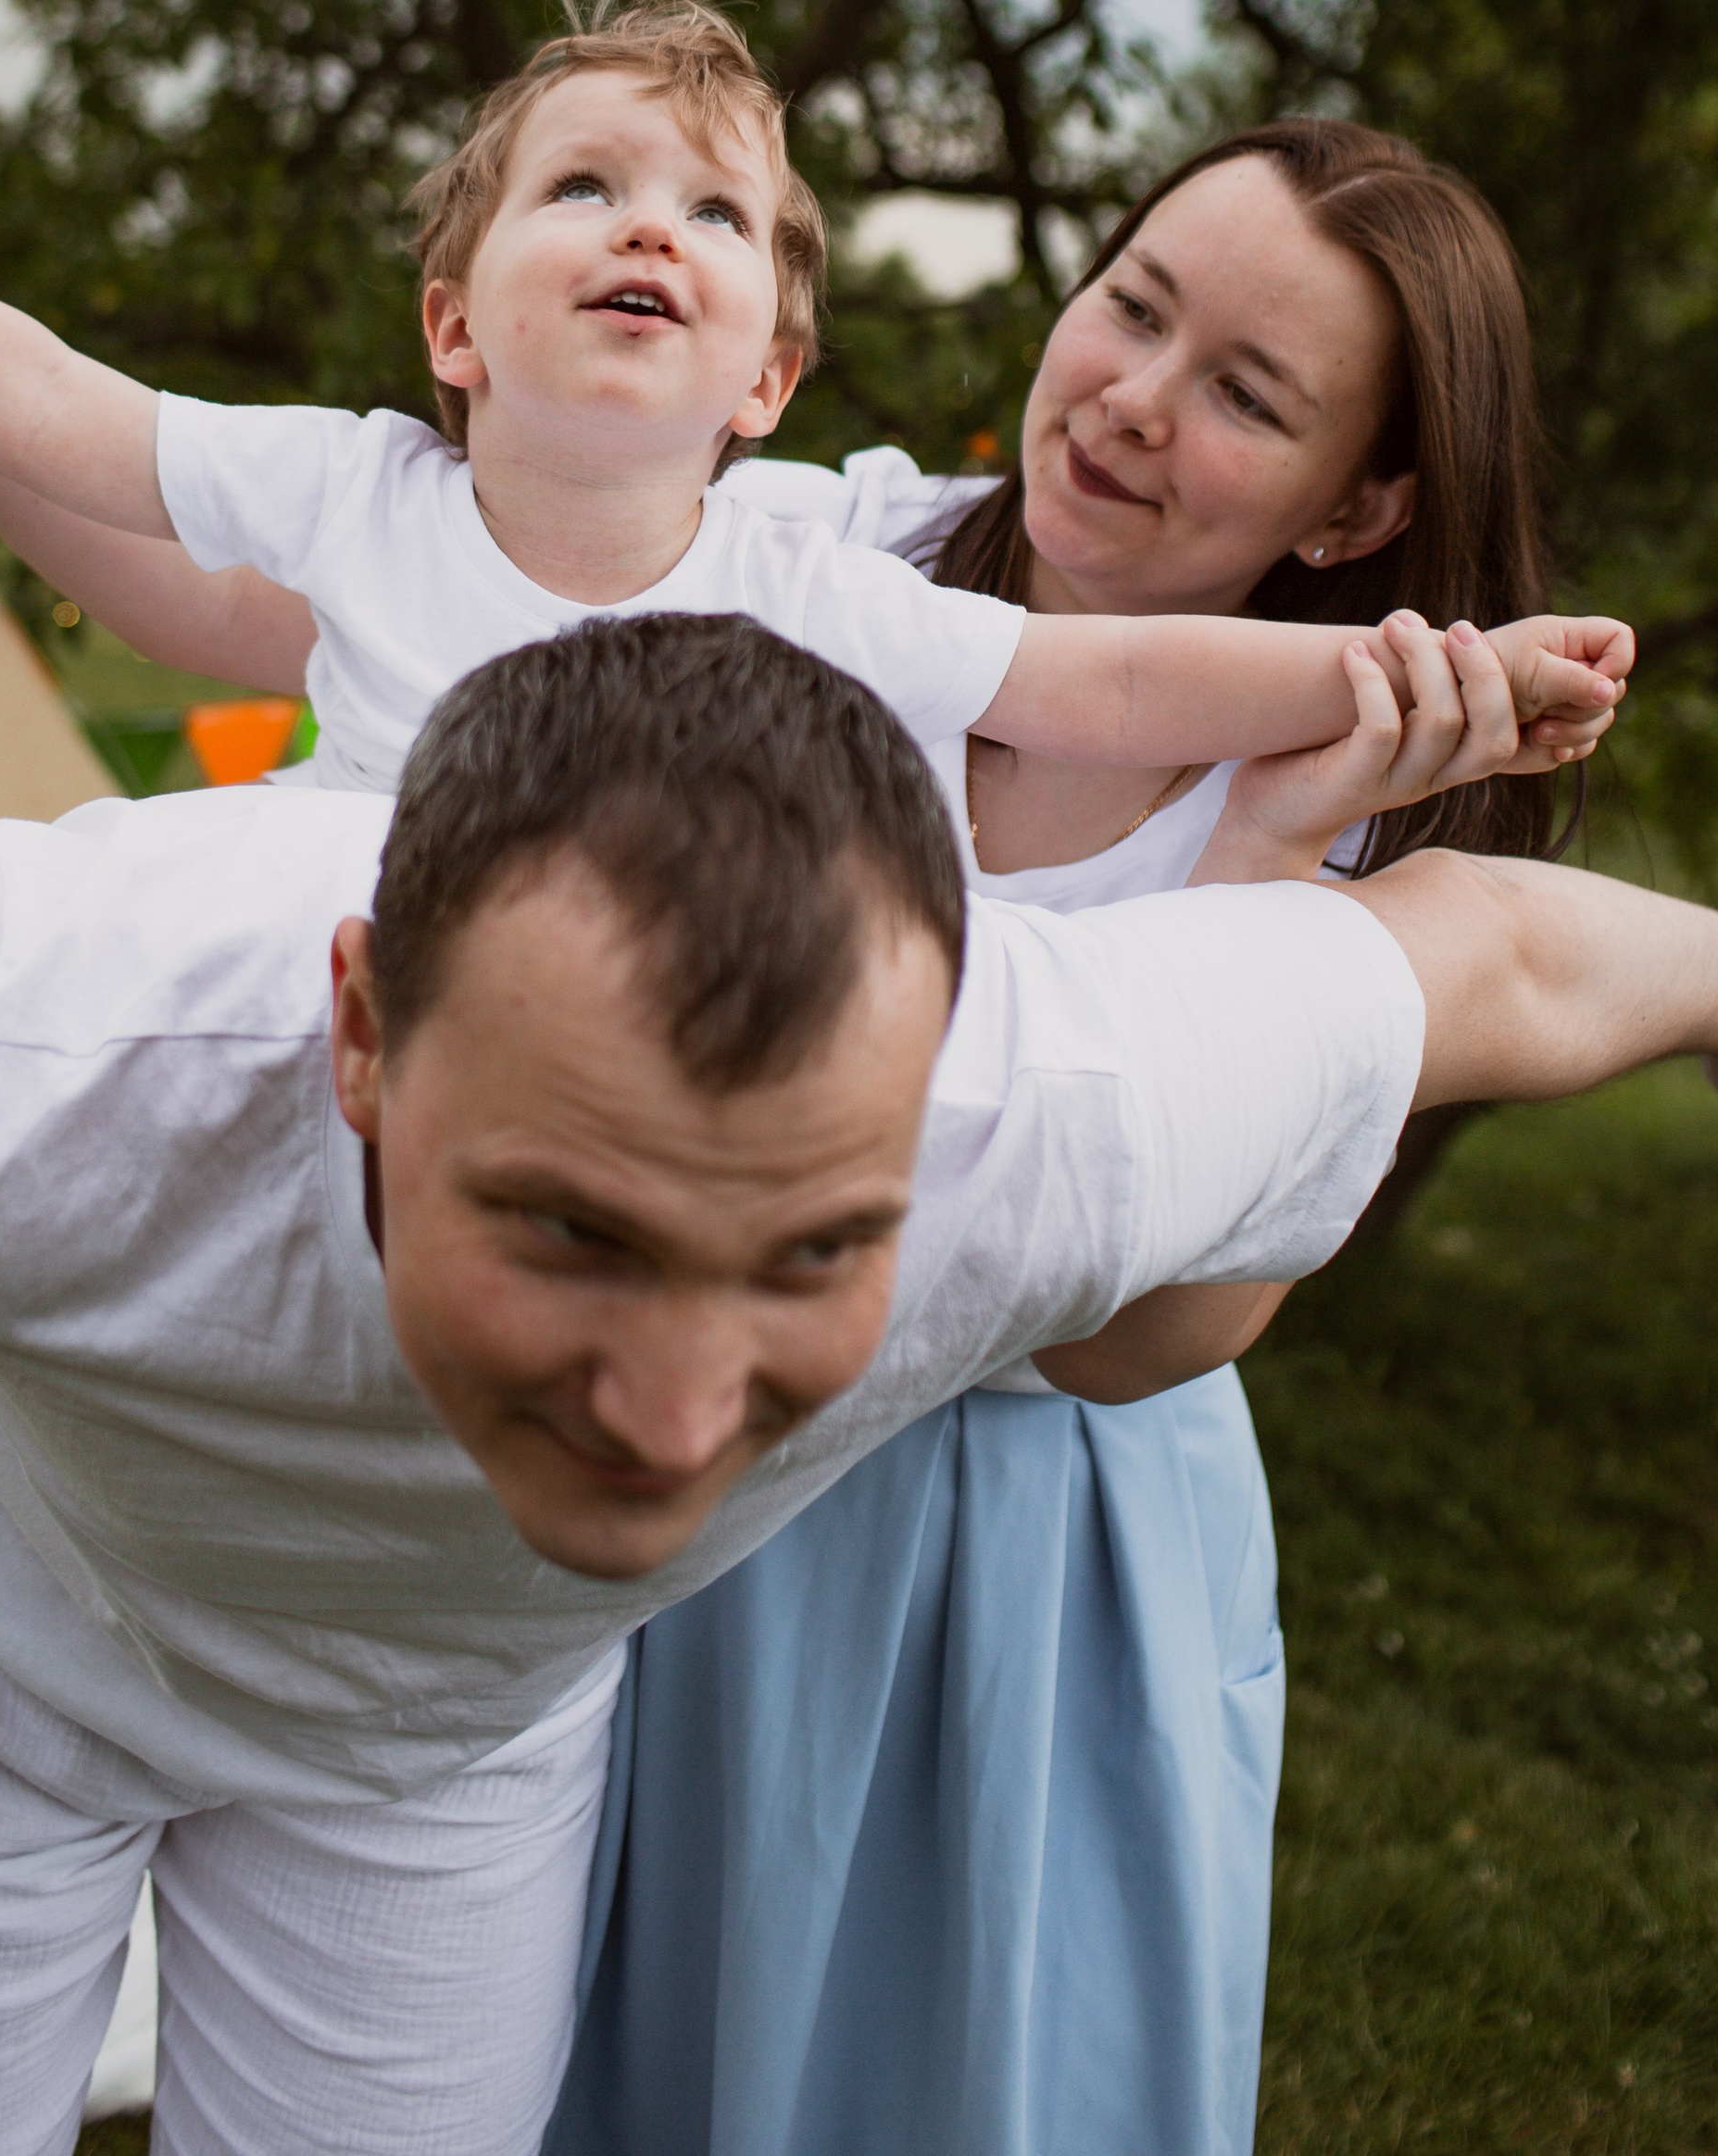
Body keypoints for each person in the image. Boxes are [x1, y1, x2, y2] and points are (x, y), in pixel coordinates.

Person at [0, 614, 1718, 2156]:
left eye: (806, 1255)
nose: (665, 1419)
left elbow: (1495, 952)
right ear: (358, 1035)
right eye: (573, 1234)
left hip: (430, 1748)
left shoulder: (1044, 1118)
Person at [550, 118, 1571, 2156]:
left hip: (1023, 1558)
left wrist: (1269, 862)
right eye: (1131, 306)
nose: (1126, 401)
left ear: (1358, 504)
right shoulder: (829, 559)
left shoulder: (1344, 802)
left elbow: (1142, 1337)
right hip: (689, 1464)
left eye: (1243, 397)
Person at [0, 0, 1624, 818]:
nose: (648, 227)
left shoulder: (802, 594)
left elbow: (1110, 690)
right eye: (585, 189)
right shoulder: (362, 488)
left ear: (768, 379)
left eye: (713, 212)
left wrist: (1402, 672)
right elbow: (67, 405)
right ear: (450, 328)